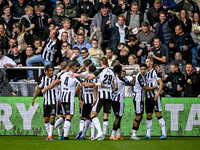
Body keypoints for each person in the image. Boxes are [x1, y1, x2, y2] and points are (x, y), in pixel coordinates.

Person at [72, 57, 117, 141]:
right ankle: (102, 135)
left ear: (101, 62)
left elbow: (89, 78)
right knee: (105, 115)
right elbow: (115, 86)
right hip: (109, 96)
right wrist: (110, 90)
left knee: (92, 114)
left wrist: (78, 75)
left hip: (101, 95)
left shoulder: (100, 71)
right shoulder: (112, 72)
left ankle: (100, 133)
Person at [41, 62, 81, 140]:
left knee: (62, 116)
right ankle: (64, 136)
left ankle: (53, 133)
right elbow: (80, 87)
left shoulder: (60, 75)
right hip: (69, 99)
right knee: (68, 116)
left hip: (61, 98)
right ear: (73, 67)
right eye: (75, 67)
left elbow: (54, 83)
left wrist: (45, 88)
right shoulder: (75, 76)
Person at [131, 63, 159, 140]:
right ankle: (133, 134)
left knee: (141, 115)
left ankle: (134, 134)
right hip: (137, 97)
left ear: (146, 69)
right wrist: (157, 87)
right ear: (140, 69)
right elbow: (146, 88)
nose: (143, 71)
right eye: (142, 69)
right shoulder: (139, 76)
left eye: (144, 69)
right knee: (138, 115)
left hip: (140, 97)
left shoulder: (143, 76)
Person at [32, 65, 59, 140]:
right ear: (46, 71)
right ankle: (49, 135)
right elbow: (38, 88)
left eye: (52, 70)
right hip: (46, 101)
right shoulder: (43, 79)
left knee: (52, 117)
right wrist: (34, 98)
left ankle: (50, 135)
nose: (51, 72)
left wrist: (59, 98)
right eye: (49, 71)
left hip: (54, 101)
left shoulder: (56, 78)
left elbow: (60, 87)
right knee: (46, 119)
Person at [143, 58, 166, 140]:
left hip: (155, 96)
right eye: (145, 61)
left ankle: (164, 134)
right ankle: (148, 135)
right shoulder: (145, 73)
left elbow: (161, 83)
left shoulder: (155, 72)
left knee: (158, 114)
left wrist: (158, 93)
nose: (146, 63)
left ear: (151, 63)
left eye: (147, 61)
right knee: (148, 115)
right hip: (148, 97)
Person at [109, 65, 135, 140]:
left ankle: (118, 134)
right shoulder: (121, 78)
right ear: (120, 71)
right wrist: (134, 75)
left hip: (113, 100)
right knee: (118, 117)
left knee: (118, 117)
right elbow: (132, 83)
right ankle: (112, 135)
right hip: (119, 100)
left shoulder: (112, 78)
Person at [76, 60, 98, 140]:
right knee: (92, 118)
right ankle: (92, 135)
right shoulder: (95, 76)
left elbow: (79, 88)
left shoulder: (83, 75)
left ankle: (81, 132)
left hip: (85, 99)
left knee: (83, 117)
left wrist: (80, 100)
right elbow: (96, 87)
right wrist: (96, 99)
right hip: (92, 100)